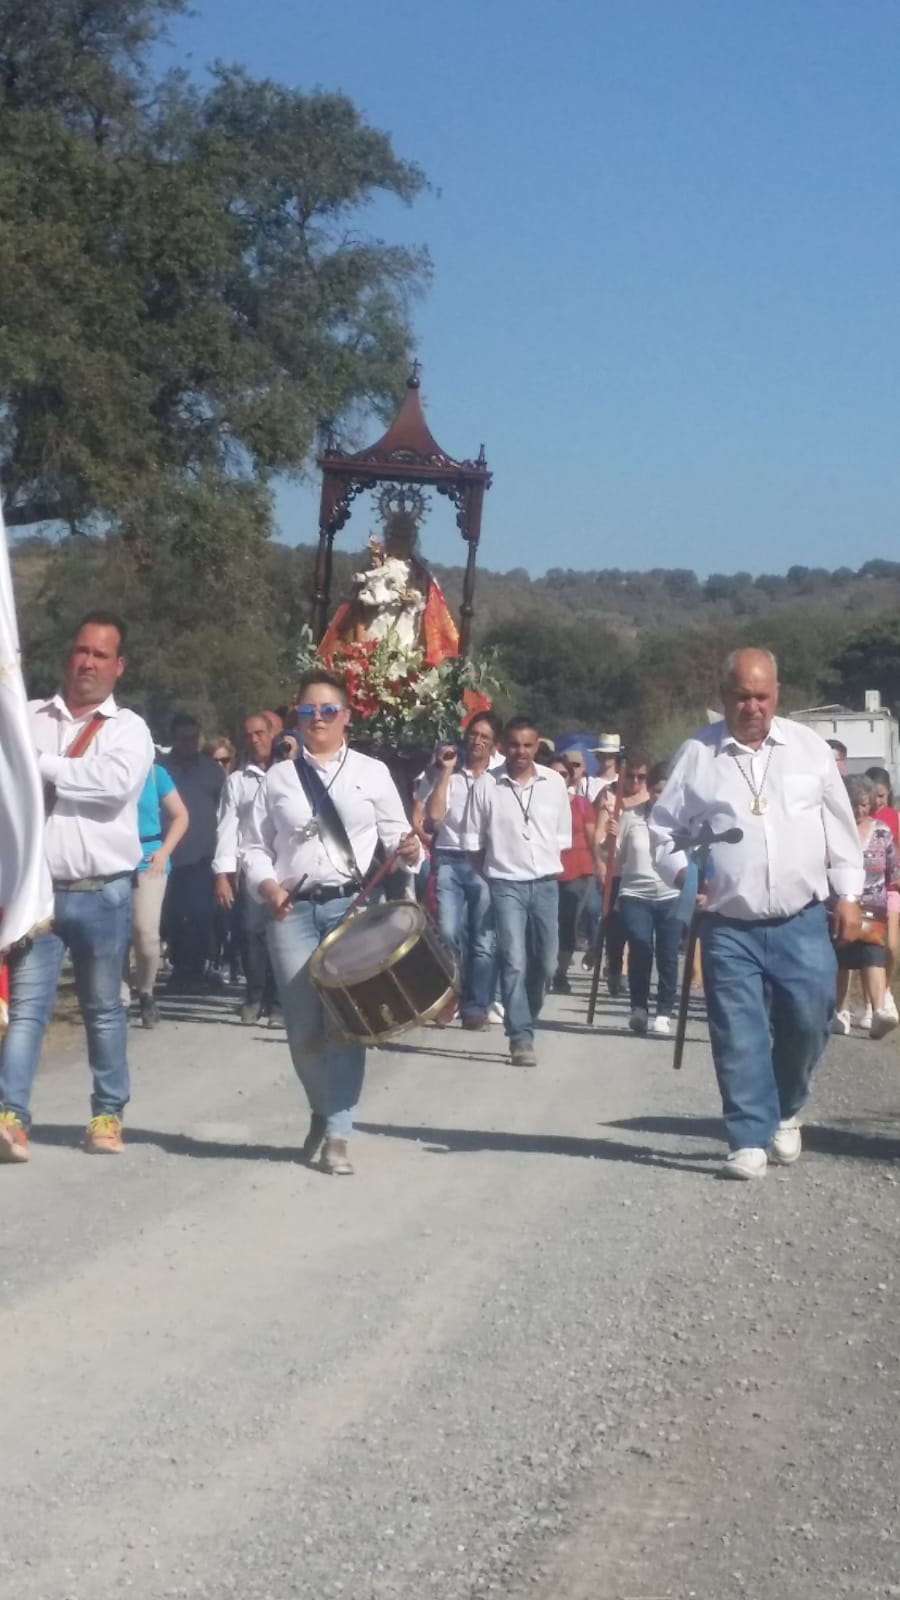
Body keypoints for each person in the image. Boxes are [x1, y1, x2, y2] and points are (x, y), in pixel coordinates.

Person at [650, 647, 864, 1181]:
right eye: (742, 696)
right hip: (728, 924)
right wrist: (685, 876)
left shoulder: (808, 748)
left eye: (762, 696)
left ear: (777, 695)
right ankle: (746, 1137)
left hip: (802, 919)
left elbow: (839, 827)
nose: (753, 706)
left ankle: (787, 1108)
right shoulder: (698, 755)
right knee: (737, 1031)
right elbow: (662, 832)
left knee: (810, 1021)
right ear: (724, 696)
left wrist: (850, 894)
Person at [242, 669, 421, 1176]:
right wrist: (269, 888)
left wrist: (410, 849)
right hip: (290, 910)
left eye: (327, 711)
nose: (316, 720)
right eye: (306, 711)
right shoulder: (275, 777)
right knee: (302, 1029)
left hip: (351, 910)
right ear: (294, 718)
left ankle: (339, 1132)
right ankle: (321, 1109)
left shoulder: (371, 771)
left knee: (345, 1023)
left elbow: (402, 841)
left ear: (346, 717)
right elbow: (253, 845)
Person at [0, 613, 154, 1163]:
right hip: (37, 893)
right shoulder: (26, 717)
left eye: (100, 655)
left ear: (118, 666)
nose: (87, 662)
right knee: (27, 1010)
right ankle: (10, 1116)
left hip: (103, 891)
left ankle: (107, 1114)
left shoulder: (128, 728)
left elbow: (113, 788)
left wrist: (37, 764)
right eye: (81, 650)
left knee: (103, 1009)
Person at [463, 717, 572, 1067]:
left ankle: (526, 1012)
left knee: (546, 963)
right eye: (513, 745)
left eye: (528, 745)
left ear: (537, 746)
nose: (521, 752)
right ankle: (520, 1036)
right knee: (513, 960)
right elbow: (473, 843)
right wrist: (494, 876)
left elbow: (561, 838)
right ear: (502, 747)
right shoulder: (486, 786)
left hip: (545, 884)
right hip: (506, 884)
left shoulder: (554, 783)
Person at [412, 711, 502, 1030]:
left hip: (484, 862)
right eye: (473, 734)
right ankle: (451, 994)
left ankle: (476, 1005)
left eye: (484, 737)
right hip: (448, 857)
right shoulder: (449, 772)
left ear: (494, 745)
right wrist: (446, 773)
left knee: (482, 938)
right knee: (447, 932)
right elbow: (433, 818)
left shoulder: (499, 777)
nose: (476, 741)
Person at [213, 712, 280, 1025]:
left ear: (273, 733)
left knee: (282, 933)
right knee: (251, 931)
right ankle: (254, 995)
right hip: (253, 867)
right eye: (249, 735)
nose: (255, 740)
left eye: (260, 733)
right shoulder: (238, 782)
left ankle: (279, 1001)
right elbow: (227, 828)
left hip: (288, 866)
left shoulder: (292, 774)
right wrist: (223, 875)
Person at [611, 761, 683, 1036]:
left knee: (667, 954)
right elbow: (615, 860)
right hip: (635, 894)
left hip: (671, 895)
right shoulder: (631, 817)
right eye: (656, 790)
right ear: (648, 790)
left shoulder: (683, 822)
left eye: (667, 791)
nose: (660, 797)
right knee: (641, 948)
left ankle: (664, 1011)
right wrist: (610, 840)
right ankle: (638, 1008)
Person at [830, 775, 899, 1039]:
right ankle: (840, 1011)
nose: (859, 810)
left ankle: (879, 1010)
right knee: (842, 960)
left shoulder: (882, 831)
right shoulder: (835, 829)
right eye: (853, 804)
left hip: (874, 907)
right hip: (842, 905)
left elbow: (893, 868)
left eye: (863, 804)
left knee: (874, 956)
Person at [161, 713, 225, 991]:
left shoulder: (212, 770)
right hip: (168, 854)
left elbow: (225, 810)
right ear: (173, 738)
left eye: (192, 738)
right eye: (182, 738)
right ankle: (178, 970)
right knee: (172, 915)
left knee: (200, 914)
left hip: (202, 855)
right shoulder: (161, 769)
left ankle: (197, 970)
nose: (188, 743)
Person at [128, 763, 189, 1027]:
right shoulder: (105, 769)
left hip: (149, 859)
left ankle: (146, 991)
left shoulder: (154, 773)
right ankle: (117, 1000)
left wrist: (164, 852)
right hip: (111, 861)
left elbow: (180, 815)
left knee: (146, 931)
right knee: (114, 935)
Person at [592, 750, 650, 993]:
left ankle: (633, 975)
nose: (635, 782)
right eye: (631, 776)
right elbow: (599, 834)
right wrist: (600, 866)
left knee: (636, 931)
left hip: (640, 871)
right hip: (616, 871)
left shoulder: (651, 795)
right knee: (614, 929)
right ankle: (614, 966)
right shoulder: (609, 794)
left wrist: (627, 804)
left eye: (641, 777)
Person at [549, 757, 596, 993]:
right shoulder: (539, 802)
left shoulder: (581, 804)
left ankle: (561, 972)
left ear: (570, 778)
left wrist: (599, 866)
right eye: (553, 773)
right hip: (546, 870)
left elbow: (592, 838)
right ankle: (544, 968)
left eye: (563, 774)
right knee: (546, 923)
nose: (559, 778)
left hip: (576, 870)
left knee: (567, 922)